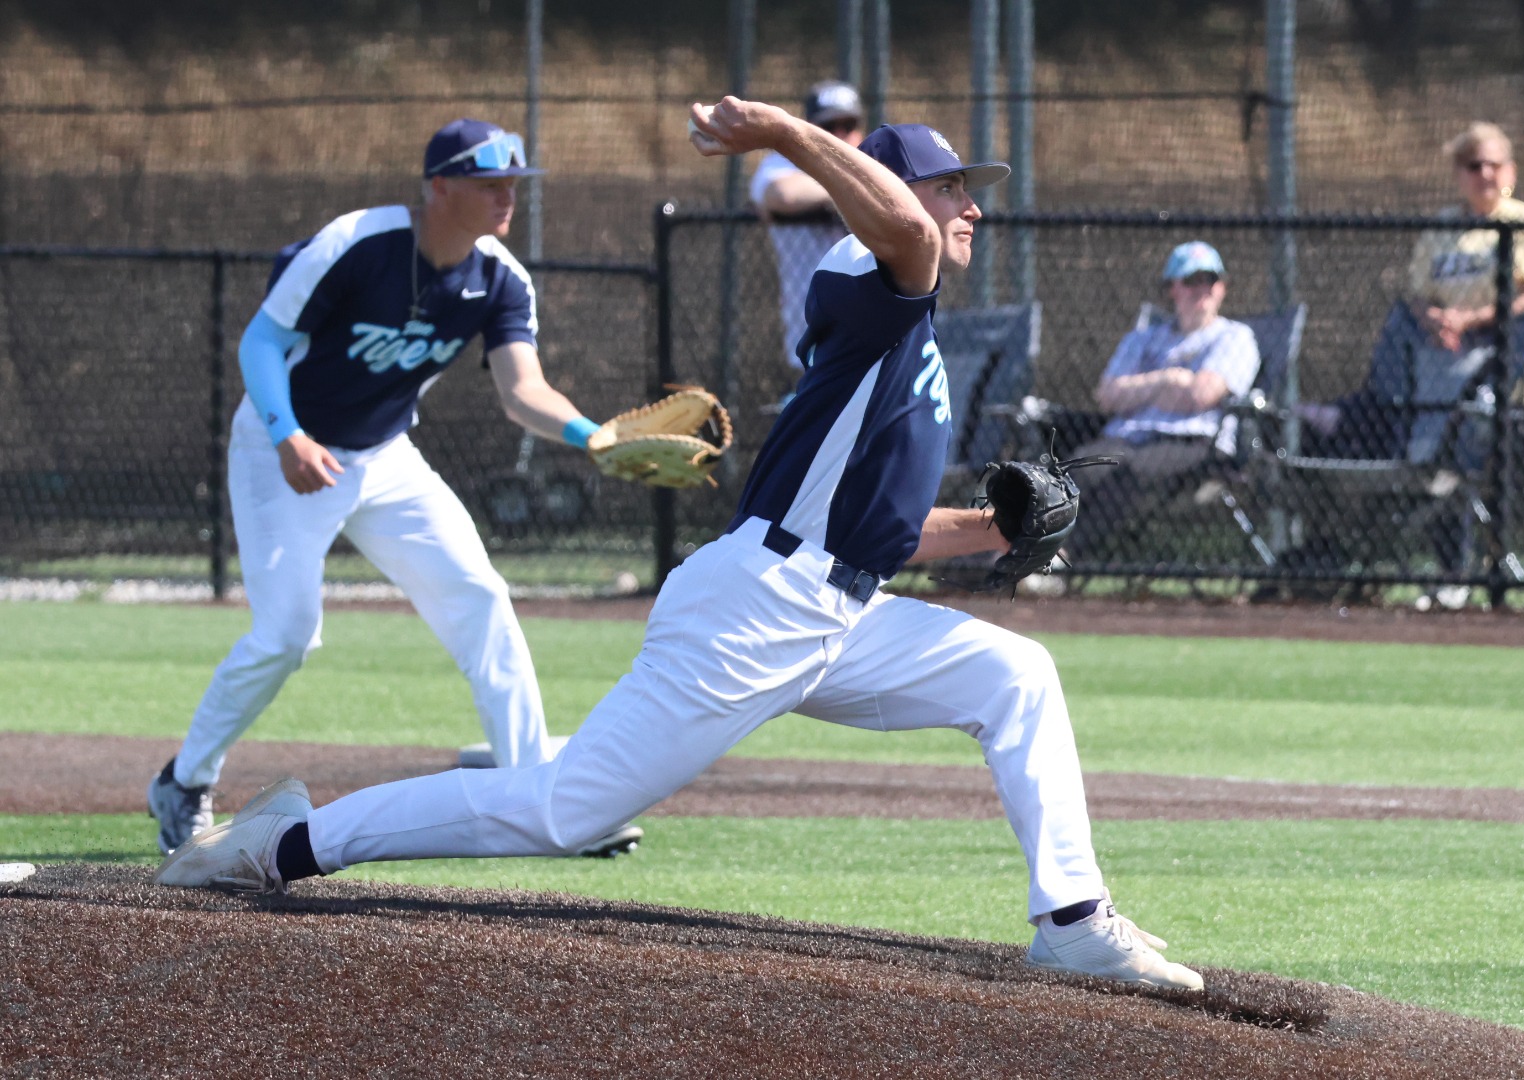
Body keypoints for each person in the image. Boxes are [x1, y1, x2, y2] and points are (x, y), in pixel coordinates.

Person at [154, 98, 1206, 993]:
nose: (970, 203)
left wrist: (992, 531)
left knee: (1016, 674)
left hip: (832, 607)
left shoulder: (907, 331)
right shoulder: (873, 280)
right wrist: (780, 131)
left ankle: (1071, 921)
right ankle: (283, 843)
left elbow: (874, 536)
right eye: (946, 184)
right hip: (758, 612)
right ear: (883, 194)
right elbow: (905, 235)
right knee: (564, 811)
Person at [144, 118, 644, 860]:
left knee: (480, 596)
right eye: (489, 183)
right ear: (439, 186)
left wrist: (591, 435)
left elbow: (521, 389)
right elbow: (262, 341)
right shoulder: (358, 243)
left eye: (514, 183)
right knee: (286, 635)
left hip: (382, 455)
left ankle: (538, 795)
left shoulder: (500, 277)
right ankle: (185, 782)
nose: (507, 196)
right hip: (283, 447)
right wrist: (287, 435)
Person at [1302, 123, 1524, 614]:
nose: (1484, 175)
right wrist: (1438, 320)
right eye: (1473, 166)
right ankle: (1453, 578)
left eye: (1493, 165)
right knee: (1449, 476)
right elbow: (1417, 295)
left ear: (1510, 172)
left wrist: (1468, 319)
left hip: (1517, 381)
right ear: (1459, 174)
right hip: (1446, 378)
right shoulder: (1442, 228)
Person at [1063, 240, 1260, 563]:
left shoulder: (1235, 337)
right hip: (1127, 437)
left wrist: (1139, 390)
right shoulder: (1143, 338)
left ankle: (1063, 558)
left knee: (1131, 472)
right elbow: (1108, 396)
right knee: (1076, 470)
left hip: (1195, 444)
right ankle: (1016, 553)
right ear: (1172, 288)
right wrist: (1167, 380)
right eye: (1191, 281)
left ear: (1221, 287)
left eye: (1210, 280)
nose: (1202, 289)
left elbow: (1201, 395)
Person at [750, 80, 866, 380]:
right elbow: (783, 195)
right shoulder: (782, 165)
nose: (841, 136)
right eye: (829, 127)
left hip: (870, 333)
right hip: (811, 336)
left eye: (849, 125)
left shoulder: (873, 168)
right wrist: (850, 185)